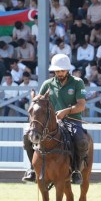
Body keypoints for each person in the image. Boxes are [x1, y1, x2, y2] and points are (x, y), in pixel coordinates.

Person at [22, 54, 89, 185]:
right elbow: (38, 101)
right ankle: (31, 169)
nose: (59, 73)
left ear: (67, 70)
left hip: (72, 120)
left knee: (81, 140)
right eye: (57, 71)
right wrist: (34, 101)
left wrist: (66, 111)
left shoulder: (77, 82)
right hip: (50, 123)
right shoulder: (47, 84)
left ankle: (76, 170)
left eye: (62, 71)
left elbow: (81, 105)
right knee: (26, 136)